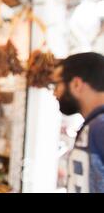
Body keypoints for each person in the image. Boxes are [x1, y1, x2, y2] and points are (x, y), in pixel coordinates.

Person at [52, 52, 104, 193]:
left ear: (76, 84)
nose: (55, 93)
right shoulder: (94, 125)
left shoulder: (100, 126)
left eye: (57, 85)